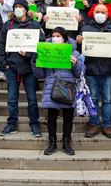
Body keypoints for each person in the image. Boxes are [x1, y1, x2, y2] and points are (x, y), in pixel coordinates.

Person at [0, 0, 45, 137]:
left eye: (20, 6)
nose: (18, 9)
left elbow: (41, 45)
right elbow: (1, 43)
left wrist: (29, 54)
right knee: (12, 98)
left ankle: (35, 124)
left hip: (29, 67)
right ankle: (12, 124)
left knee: (32, 98)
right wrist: (3, 63)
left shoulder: (35, 25)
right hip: (12, 66)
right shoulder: (8, 25)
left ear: (26, 9)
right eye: (16, 6)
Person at [33, 27, 85, 155]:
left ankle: (66, 142)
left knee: (68, 117)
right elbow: (39, 74)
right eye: (54, 36)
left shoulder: (74, 53)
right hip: (51, 86)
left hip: (68, 87)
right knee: (51, 117)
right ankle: (52, 142)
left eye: (58, 36)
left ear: (64, 38)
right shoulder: (47, 51)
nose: (56, 38)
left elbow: (80, 74)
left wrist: (75, 63)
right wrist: (35, 60)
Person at [77, 4, 111, 139]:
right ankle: (94, 124)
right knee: (92, 99)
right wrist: (79, 41)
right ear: (93, 13)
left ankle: (107, 125)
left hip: (108, 69)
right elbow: (80, 50)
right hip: (91, 69)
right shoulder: (86, 28)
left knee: (108, 99)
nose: (100, 14)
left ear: (107, 14)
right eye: (97, 11)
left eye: (102, 12)